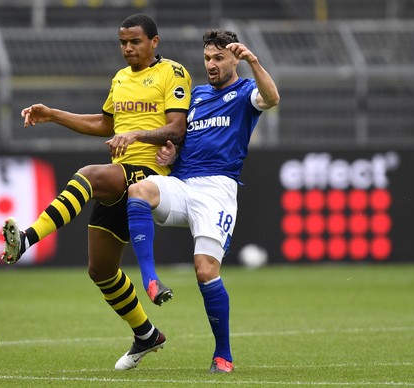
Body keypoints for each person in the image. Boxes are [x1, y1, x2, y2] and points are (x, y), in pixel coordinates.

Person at [1, 13, 192, 370]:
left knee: (89, 175)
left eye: (135, 41)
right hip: (122, 172)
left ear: (155, 42)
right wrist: (53, 114)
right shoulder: (120, 79)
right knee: (101, 270)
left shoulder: (173, 73)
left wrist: (136, 135)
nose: (128, 48)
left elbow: (177, 128)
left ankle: (27, 238)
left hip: (149, 174)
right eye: (123, 42)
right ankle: (146, 334)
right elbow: (105, 123)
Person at [126, 29, 280, 373]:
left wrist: (254, 60)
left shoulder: (244, 93)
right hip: (183, 184)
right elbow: (182, 143)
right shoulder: (196, 96)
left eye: (219, 58)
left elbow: (272, 99)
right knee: (139, 191)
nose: (211, 64)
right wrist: (171, 155)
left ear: (234, 59)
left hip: (217, 191)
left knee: (205, 270)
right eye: (207, 58)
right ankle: (150, 279)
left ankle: (223, 355)